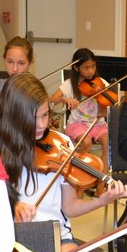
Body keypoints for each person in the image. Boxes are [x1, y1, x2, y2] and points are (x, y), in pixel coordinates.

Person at [0, 72, 127, 252]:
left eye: (45, 115)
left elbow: (70, 207)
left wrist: (101, 200)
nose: (42, 125)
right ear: (13, 116)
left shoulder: (62, 143)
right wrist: (13, 206)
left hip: (58, 239)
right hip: (13, 243)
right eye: (32, 118)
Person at [50, 48, 111, 186]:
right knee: (86, 142)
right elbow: (52, 99)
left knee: (109, 144)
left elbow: (112, 103)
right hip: (78, 124)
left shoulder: (100, 82)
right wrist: (65, 99)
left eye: (93, 66)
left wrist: (105, 109)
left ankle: (100, 184)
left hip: (98, 124)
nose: (91, 71)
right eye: (86, 67)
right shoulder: (69, 84)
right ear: (76, 67)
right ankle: (80, 182)